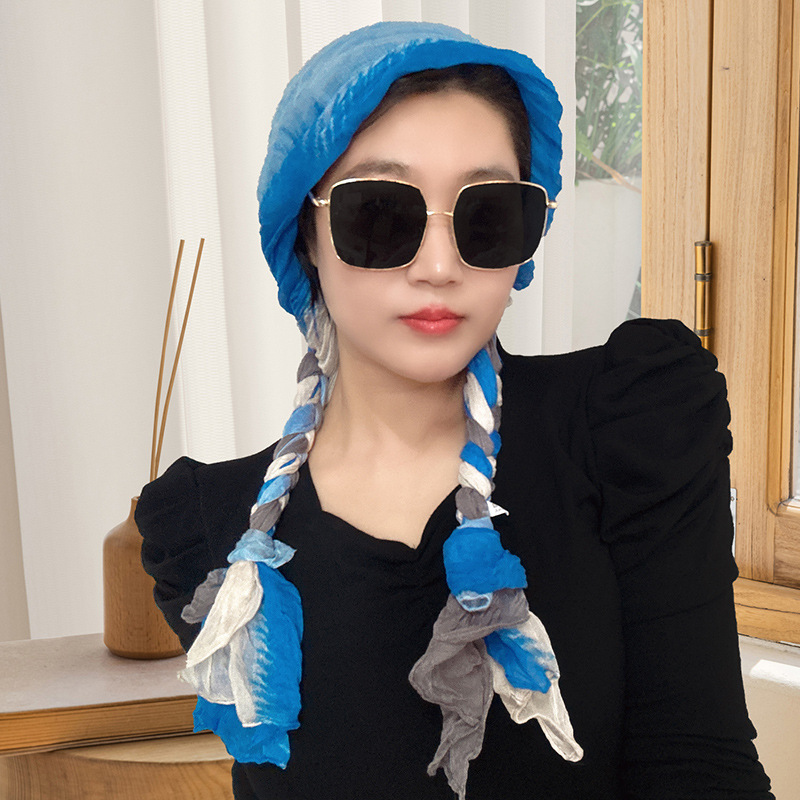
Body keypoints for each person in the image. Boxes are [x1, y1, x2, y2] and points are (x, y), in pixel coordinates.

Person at [136, 20, 774, 800]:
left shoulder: (629, 429)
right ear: (305, 235)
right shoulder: (208, 531)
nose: (439, 266)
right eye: (380, 214)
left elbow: (699, 768)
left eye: (488, 215)